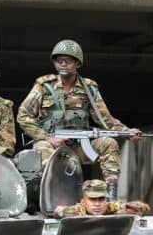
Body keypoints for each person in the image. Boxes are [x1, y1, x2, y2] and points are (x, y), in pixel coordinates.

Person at [16, 39, 140, 199]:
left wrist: (125, 131)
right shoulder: (44, 86)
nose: (63, 65)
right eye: (59, 61)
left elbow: (105, 119)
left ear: (77, 64)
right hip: (50, 144)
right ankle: (51, 198)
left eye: (67, 61)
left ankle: (110, 196)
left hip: (79, 145)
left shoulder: (89, 88)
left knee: (109, 143)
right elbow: (23, 115)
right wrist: (47, 137)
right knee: (42, 148)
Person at [52, 179, 151, 218]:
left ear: (106, 200)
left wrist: (128, 207)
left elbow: (142, 208)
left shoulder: (111, 208)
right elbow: (59, 212)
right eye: (92, 199)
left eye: (101, 199)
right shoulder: (75, 211)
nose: (97, 204)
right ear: (83, 201)